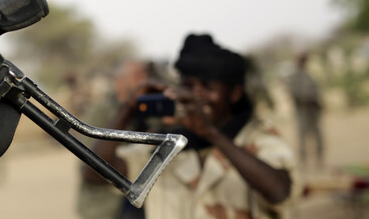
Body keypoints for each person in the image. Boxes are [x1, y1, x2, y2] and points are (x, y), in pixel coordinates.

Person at [82, 34, 297, 219]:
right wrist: (128, 108)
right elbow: (94, 174)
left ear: (234, 94)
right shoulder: (168, 146)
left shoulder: (257, 139)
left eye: (207, 87)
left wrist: (210, 133)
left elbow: (279, 191)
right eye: (188, 86)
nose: (196, 95)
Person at [76, 60, 150, 219]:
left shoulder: (149, 108)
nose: (144, 81)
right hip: (105, 209)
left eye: (145, 74)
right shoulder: (100, 112)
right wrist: (126, 110)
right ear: (119, 82)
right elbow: (88, 168)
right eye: (137, 76)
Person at [287, 52, 324, 168]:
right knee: (302, 136)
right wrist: (307, 100)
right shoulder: (294, 77)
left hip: (313, 112)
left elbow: (316, 92)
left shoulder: (309, 76)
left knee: (317, 135)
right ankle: (303, 162)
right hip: (302, 111)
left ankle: (319, 160)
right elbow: (294, 94)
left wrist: (317, 103)